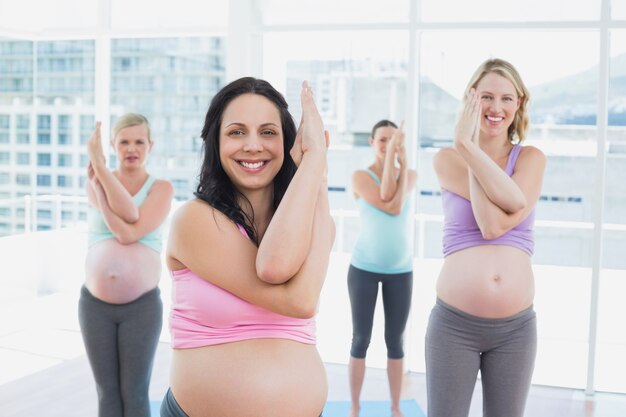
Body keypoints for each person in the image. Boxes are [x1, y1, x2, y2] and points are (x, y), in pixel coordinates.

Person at [160, 77, 335, 417]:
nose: (253, 145)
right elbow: (296, 299)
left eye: (268, 132)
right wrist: (314, 163)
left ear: (289, 142)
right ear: (216, 142)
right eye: (237, 132)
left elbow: (278, 262)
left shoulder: (319, 223)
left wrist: (317, 170)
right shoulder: (194, 221)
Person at [425, 58, 546, 417]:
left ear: (519, 103)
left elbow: (494, 224)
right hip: (453, 326)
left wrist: (470, 147)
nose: (497, 108)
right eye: (487, 97)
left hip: (516, 330)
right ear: (470, 100)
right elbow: (493, 221)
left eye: (507, 98)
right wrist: (467, 147)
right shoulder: (447, 159)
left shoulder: (532, 159)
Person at [79, 113, 174, 417]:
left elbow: (128, 227)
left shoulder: (162, 188)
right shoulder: (94, 183)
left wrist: (100, 171)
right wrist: (101, 176)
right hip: (94, 306)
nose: (131, 148)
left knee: (134, 394)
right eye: (123, 142)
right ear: (113, 145)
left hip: (141, 308)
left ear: (151, 145)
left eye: (138, 141)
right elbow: (125, 214)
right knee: (106, 394)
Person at [347, 120, 417, 417]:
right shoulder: (360, 177)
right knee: (361, 338)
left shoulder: (410, 175)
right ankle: (353, 407)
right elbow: (389, 202)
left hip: (401, 270)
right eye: (383, 140)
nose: (388, 145)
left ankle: (396, 406)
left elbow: (395, 203)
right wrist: (392, 158)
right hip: (363, 268)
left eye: (394, 140)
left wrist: (402, 161)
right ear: (372, 142)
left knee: (395, 341)